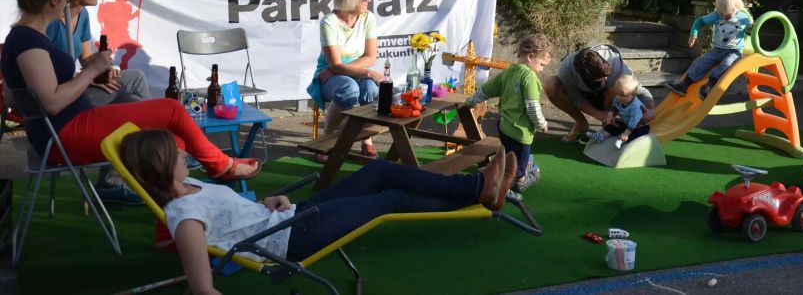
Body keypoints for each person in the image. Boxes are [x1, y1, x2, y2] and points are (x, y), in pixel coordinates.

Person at [120, 129, 517, 295]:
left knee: (378, 170)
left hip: (288, 216)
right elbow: (201, 286)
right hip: (290, 239)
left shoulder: (194, 186)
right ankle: (479, 191)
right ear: (162, 165)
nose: (185, 153)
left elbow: (230, 216)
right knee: (390, 200)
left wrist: (266, 201)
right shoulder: (183, 218)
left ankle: (478, 190)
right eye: (177, 153)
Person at [0, 0, 260, 183]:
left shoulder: (23, 38)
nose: (67, 3)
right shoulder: (28, 42)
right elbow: (51, 102)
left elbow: (17, 95)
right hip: (64, 135)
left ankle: (172, 224)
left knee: (172, 141)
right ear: (54, 1)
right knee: (172, 109)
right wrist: (91, 70)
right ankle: (220, 165)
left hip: (66, 127)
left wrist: (86, 77)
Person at [46, 0, 153, 203]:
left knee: (133, 96)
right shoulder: (50, 21)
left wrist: (104, 67)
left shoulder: (81, 14)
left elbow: (85, 58)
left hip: (78, 87)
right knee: (134, 99)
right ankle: (149, 159)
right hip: (63, 100)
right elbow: (51, 77)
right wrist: (89, 77)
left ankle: (117, 179)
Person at [306, 0, 382, 159]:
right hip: (330, 76)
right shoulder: (329, 22)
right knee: (349, 89)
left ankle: (367, 139)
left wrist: (337, 68)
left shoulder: (368, 17)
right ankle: (325, 141)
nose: (369, 0)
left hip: (333, 71)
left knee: (371, 89)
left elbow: (371, 57)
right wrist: (363, 71)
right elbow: (336, 64)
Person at [466, 34, 551, 193]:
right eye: (541, 64)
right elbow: (532, 106)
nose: (542, 70)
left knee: (509, 154)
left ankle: (503, 170)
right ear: (531, 57)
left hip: (504, 127)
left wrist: (471, 100)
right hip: (521, 132)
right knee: (520, 166)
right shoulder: (529, 77)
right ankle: (520, 180)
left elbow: (486, 90)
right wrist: (542, 124)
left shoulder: (508, 72)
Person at [544, 44, 656, 143]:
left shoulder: (613, 60)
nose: (607, 78)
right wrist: (600, 116)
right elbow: (579, 101)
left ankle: (608, 124)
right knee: (550, 85)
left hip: (609, 98)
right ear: (587, 77)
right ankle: (581, 123)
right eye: (603, 77)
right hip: (586, 96)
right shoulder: (567, 71)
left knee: (614, 88)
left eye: (607, 74)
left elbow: (639, 90)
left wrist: (651, 112)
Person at [665, 0, 752, 100]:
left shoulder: (743, 19)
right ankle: (684, 85)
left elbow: (750, 32)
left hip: (734, 51)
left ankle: (710, 86)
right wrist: (693, 34)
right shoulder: (717, 15)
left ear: (737, 7)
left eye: (728, 13)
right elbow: (699, 22)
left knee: (727, 64)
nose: (724, 16)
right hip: (716, 50)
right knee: (699, 62)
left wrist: (750, 29)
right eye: (722, 12)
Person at [579, 74, 651, 148]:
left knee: (635, 136)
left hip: (638, 126)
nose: (619, 97)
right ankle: (600, 136)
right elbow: (614, 106)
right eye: (617, 94)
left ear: (633, 94)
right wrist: (610, 115)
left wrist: (626, 133)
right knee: (613, 126)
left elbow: (633, 121)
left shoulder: (636, 106)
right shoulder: (618, 99)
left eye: (623, 95)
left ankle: (623, 141)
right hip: (625, 123)